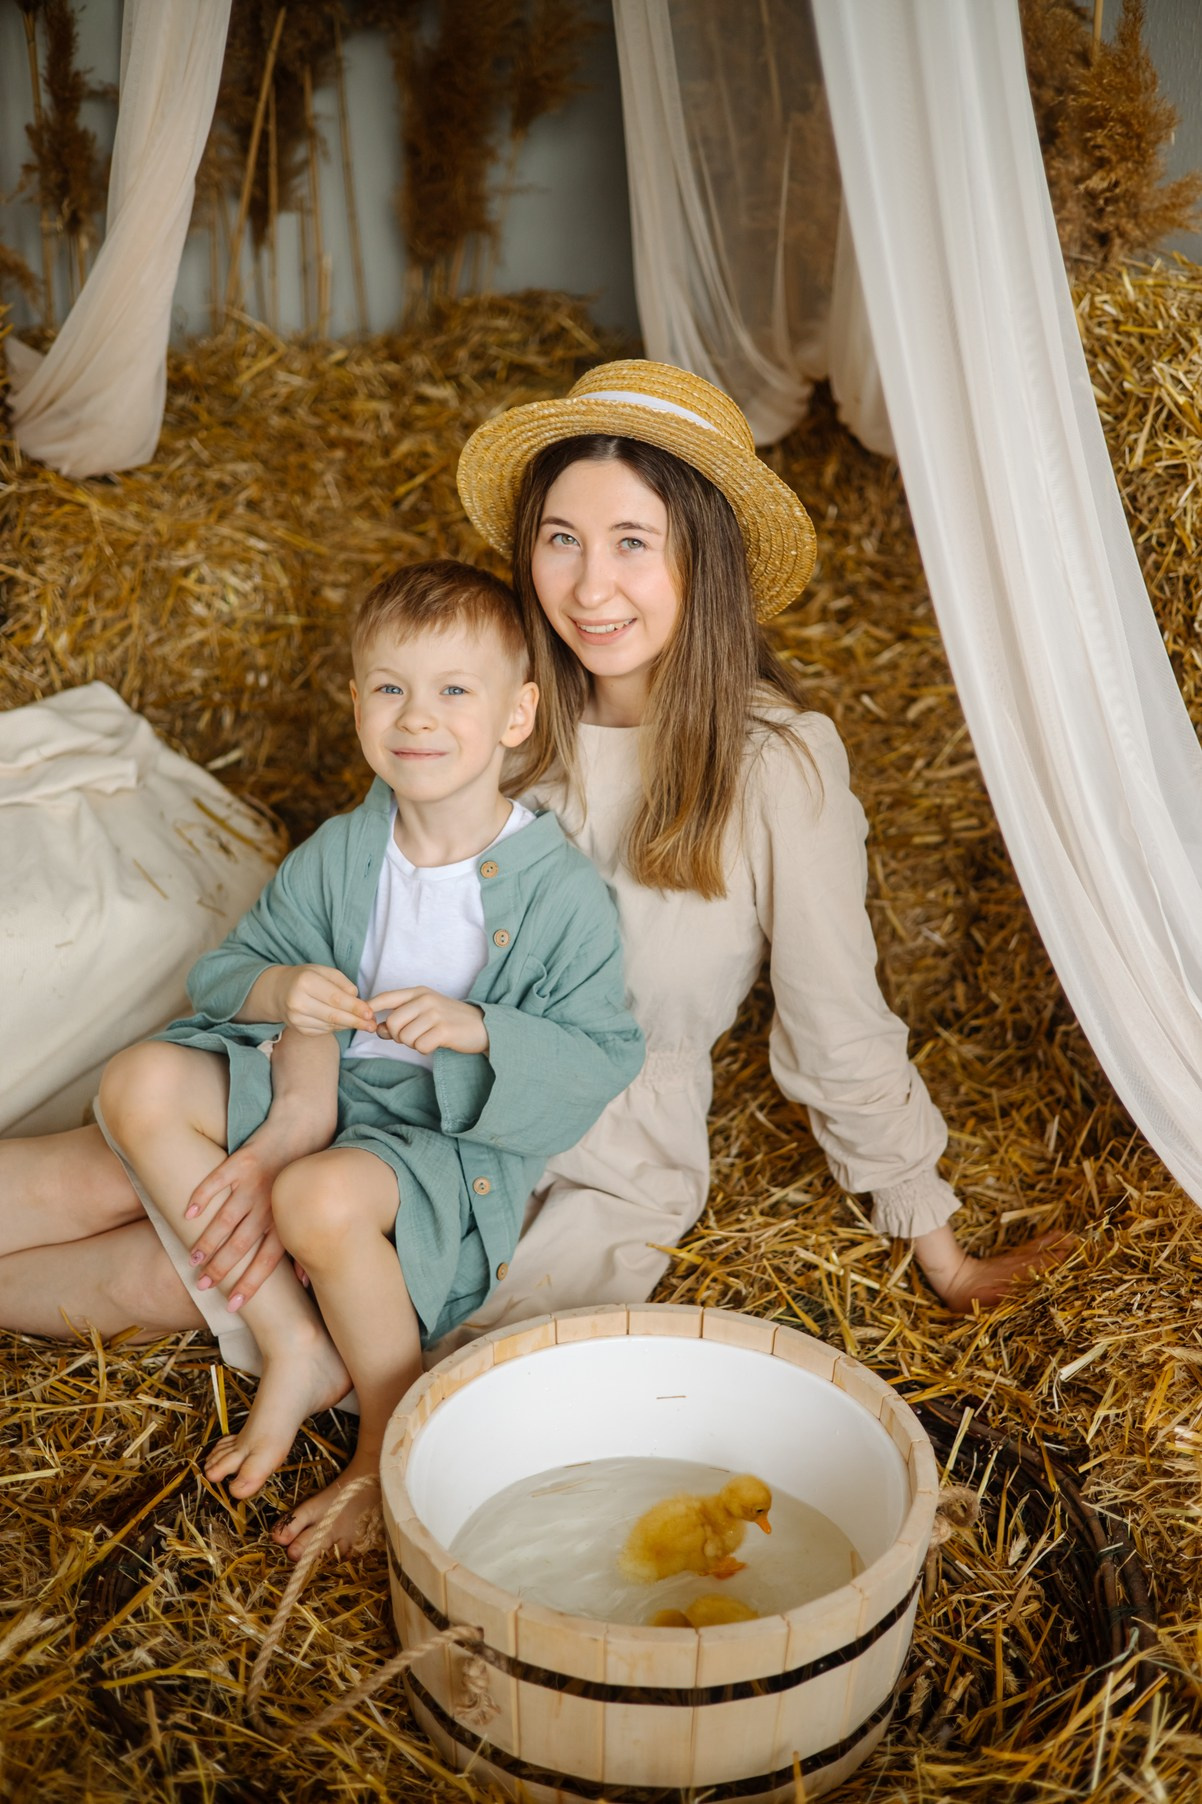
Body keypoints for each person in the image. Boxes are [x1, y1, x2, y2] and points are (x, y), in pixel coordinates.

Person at [0, 363, 1061, 1477]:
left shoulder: (774, 765)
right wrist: (298, 1093)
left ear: (705, 556)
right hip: (367, 1079)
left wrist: (935, 1248)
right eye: (560, 537)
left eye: (632, 543)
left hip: (566, 1150)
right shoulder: (493, 701)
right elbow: (354, 912)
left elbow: (838, 1022)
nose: (589, 584)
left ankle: (328, 1351)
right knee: (97, 1168)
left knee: (155, 1277)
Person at [88, 559, 644, 1556]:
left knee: (317, 1197)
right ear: (355, 706)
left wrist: (478, 1028)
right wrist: (278, 991)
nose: (415, 717)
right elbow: (231, 970)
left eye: (452, 691)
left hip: (438, 1147)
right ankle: (293, 1339)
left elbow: (601, 1054)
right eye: (389, 688)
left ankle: (389, 1441)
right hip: (329, 1090)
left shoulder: (554, 890)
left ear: (518, 716)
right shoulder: (345, 850)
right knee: (135, 1081)